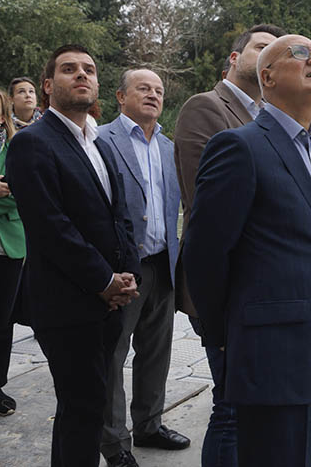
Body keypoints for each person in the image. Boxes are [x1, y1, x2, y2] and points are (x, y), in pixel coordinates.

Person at [183, 34, 311, 467]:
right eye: (300, 53)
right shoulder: (239, 147)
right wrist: (228, 339)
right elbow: (204, 256)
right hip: (275, 361)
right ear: (267, 76)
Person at [6, 44, 141, 467]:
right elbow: (51, 226)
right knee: (82, 408)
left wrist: (127, 274)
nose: (81, 75)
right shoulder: (32, 143)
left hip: (108, 302)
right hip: (67, 304)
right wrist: (104, 280)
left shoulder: (97, 142)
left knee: (87, 406)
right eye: (69, 70)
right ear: (48, 86)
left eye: (89, 69)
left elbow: (121, 214)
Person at [173, 22, 284, 467]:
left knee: (253, 407)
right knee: (231, 408)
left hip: (262, 290)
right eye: (260, 47)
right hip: (225, 290)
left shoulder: (268, 117)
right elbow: (209, 210)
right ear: (236, 59)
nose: (268, 54)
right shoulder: (206, 108)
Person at [98, 69, 187, 467]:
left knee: (156, 352)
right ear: (120, 96)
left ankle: (149, 425)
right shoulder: (100, 140)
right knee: (112, 356)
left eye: (159, 91)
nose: (153, 95)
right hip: (121, 270)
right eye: (143, 89)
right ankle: (115, 443)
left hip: (162, 265)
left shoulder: (170, 147)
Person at [0, 86, 24, 417]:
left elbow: (19, 196)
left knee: (1, 320)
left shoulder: (15, 149)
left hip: (5, 246)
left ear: (3, 116)